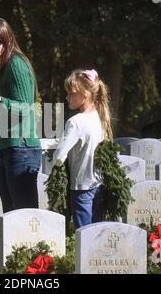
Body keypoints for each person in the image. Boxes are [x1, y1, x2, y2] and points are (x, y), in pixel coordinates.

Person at [0, 17, 42, 213]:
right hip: (5, 148)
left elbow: (25, 108)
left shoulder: (16, 63)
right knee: (11, 215)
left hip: (21, 148)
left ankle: (35, 245)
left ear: (8, 40)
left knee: (24, 215)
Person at [53, 69, 113, 229]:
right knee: (96, 231)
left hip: (80, 186)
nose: (67, 97)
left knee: (83, 233)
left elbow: (59, 157)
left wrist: (56, 165)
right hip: (99, 183)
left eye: (71, 93)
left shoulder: (75, 122)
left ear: (85, 94)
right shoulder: (101, 117)